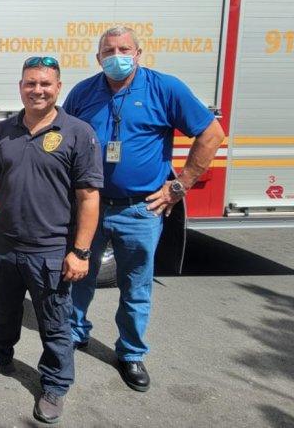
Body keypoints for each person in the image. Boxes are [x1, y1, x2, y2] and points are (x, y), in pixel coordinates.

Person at [63, 26, 224, 392]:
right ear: (97, 57)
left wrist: (179, 186)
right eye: (108, 50)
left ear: (138, 53)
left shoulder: (165, 88)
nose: (116, 55)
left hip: (141, 210)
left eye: (124, 49)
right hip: (91, 206)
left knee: (135, 287)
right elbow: (65, 140)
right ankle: (74, 334)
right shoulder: (84, 92)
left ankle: (131, 353)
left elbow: (211, 134)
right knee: (78, 277)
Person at [0, 56, 102, 424]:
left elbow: (89, 197)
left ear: (58, 88)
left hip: (53, 249)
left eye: (45, 84)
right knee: (4, 308)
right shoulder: (2, 132)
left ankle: (55, 384)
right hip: (7, 244)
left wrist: (81, 252)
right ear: (20, 87)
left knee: (54, 321)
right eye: (30, 83)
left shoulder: (78, 132)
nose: (37, 90)